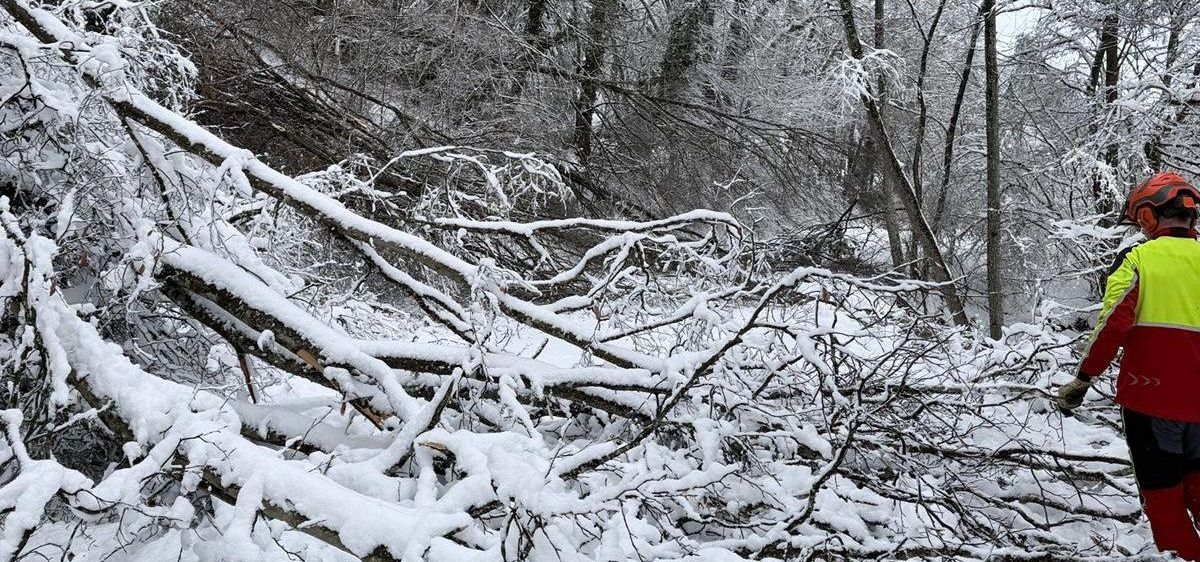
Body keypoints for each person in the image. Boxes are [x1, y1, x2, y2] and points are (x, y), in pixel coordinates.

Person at [1058, 171, 1200, 560]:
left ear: (1150, 216)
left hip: (1152, 402)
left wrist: (1083, 379)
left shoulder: (1138, 260)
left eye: (1141, 219)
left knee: (1165, 504)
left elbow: (1112, 326)